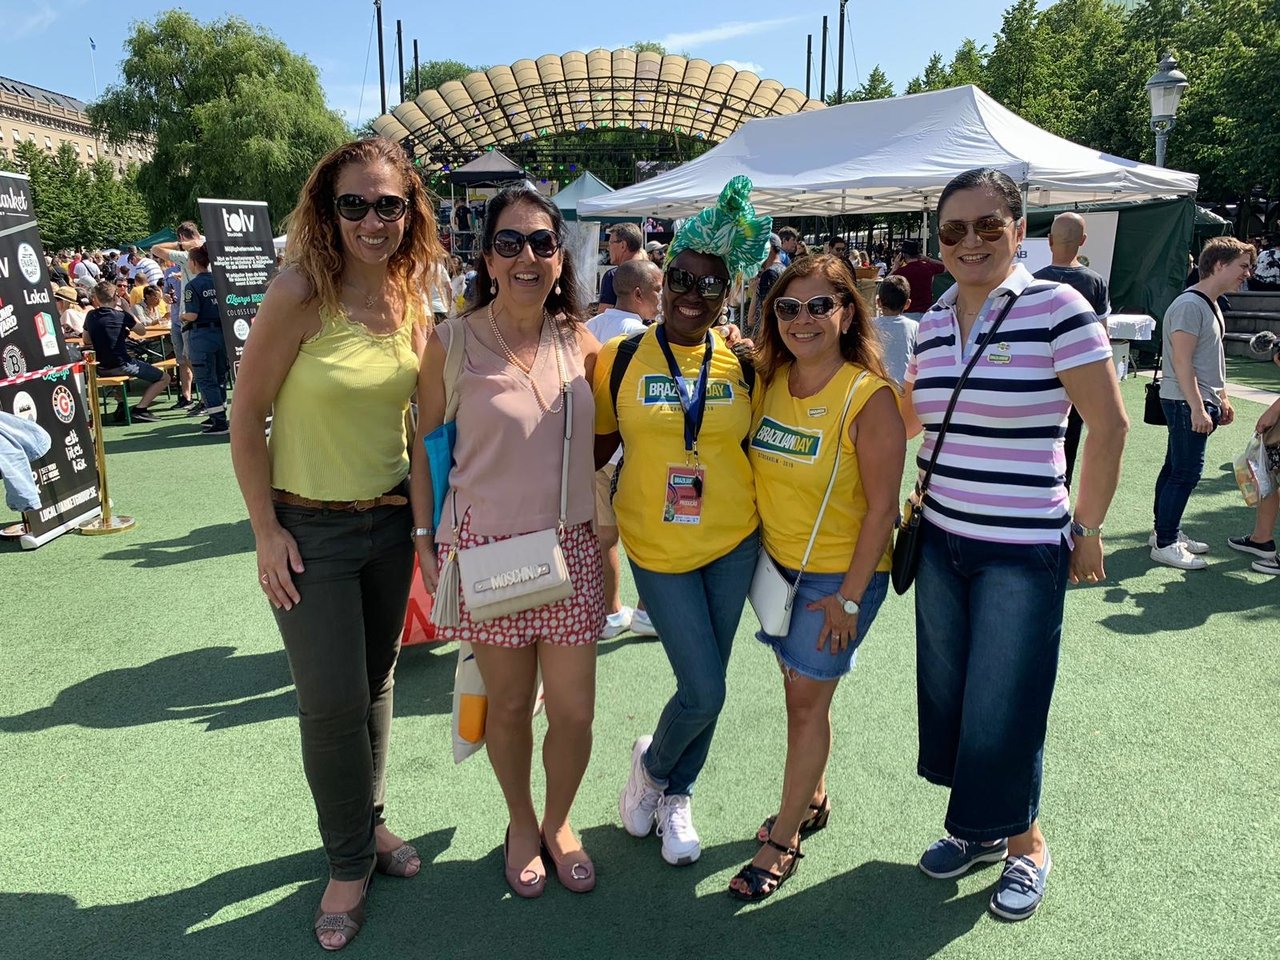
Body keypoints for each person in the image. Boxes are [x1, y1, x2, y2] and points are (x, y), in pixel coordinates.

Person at [229, 137, 442, 951]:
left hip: (388, 525)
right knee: (329, 704)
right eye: (354, 203)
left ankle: (369, 821)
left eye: (389, 204)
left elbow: (421, 430)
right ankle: (348, 862)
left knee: (377, 681)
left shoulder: (413, 301)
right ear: (328, 208)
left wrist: (422, 532)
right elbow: (246, 418)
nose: (372, 220)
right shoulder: (298, 293)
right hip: (308, 529)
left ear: (410, 212)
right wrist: (265, 531)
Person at [901, 167, 1128, 921]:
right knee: (952, 696)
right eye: (953, 230)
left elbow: (1110, 425)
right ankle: (977, 830)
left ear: (1018, 230)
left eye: (987, 226)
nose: (969, 242)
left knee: (1006, 700)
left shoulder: (1059, 307)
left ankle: (1026, 844)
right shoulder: (935, 319)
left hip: (1021, 546)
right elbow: (909, 417)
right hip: (941, 539)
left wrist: (1087, 528)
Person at [412, 183, 603, 898]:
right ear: (488, 258)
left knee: (575, 712)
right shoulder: (451, 341)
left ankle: (559, 820)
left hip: (572, 547)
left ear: (560, 258)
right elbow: (427, 449)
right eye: (510, 242)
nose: (527, 256)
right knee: (511, 707)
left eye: (542, 243)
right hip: (488, 549)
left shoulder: (582, 341)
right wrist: (425, 539)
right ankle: (521, 822)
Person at [599, 176, 767, 867]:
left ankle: (674, 792)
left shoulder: (745, 362)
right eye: (683, 280)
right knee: (705, 687)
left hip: (733, 541)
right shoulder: (618, 359)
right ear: (662, 281)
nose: (694, 295)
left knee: (709, 686)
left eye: (710, 285)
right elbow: (596, 450)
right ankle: (653, 765)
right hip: (655, 545)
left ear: (728, 293)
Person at [729, 254, 904, 901]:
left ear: (848, 313)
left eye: (818, 306)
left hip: (838, 580)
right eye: (788, 307)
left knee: (805, 704)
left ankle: (783, 839)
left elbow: (883, 510)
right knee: (800, 696)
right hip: (777, 571)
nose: (802, 319)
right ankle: (814, 798)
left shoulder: (868, 397)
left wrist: (849, 601)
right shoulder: (772, 380)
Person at [1150, 236, 1254, 569]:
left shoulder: (1207, 303)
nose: (1248, 273)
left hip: (1194, 400)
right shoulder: (1190, 305)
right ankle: (1165, 541)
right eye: (1242, 266)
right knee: (1185, 473)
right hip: (1186, 401)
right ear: (1219, 265)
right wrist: (1197, 406)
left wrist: (1221, 397)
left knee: (1175, 468)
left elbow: (1207, 358)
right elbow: (1182, 361)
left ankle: (1164, 533)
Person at [585, 258, 663, 640]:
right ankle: (646, 612)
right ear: (638, 294)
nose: (662, 297)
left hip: (596, 451)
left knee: (604, 537)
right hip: (634, 453)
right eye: (658, 290)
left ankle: (611, 612)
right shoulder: (649, 338)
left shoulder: (587, 330)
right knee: (647, 537)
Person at [1034, 213, 1111, 487]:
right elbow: (1102, 336)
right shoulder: (1095, 282)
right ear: (1083, 241)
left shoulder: (1033, 282)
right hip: (1078, 377)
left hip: (1038, 375)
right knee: (1070, 440)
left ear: (1049, 240)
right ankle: (1061, 491)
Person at [83, 280, 171, 423]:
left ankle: (121, 405)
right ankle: (140, 409)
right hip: (122, 364)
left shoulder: (91, 315)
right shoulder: (121, 315)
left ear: (96, 298)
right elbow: (142, 331)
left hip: (101, 367)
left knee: (119, 366)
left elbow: (86, 339)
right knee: (164, 378)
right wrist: (127, 311)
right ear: (115, 297)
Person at [155, 222, 207, 411]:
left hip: (190, 315)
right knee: (183, 359)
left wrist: (180, 245)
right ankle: (188, 397)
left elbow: (155, 249)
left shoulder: (191, 254)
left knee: (193, 358)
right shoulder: (198, 251)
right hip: (179, 313)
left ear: (182, 238)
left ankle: (206, 400)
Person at [182, 247, 231, 436]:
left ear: (194, 262)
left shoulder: (192, 285)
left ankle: (219, 421)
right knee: (220, 376)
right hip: (222, 333)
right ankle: (218, 414)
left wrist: (182, 316)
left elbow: (192, 315)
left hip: (202, 336)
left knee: (206, 379)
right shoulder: (220, 280)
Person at [873, 274, 917, 389]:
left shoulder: (869, 326)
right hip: (904, 387)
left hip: (875, 387)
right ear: (907, 304)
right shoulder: (915, 327)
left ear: (878, 302)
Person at [597, 223, 645, 313]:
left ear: (623, 245)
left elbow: (604, 314)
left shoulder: (613, 275)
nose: (608, 248)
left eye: (610, 243)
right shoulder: (654, 272)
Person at [891, 240, 946, 320]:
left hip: (908, 313)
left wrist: (895, 267)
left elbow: (885, 285)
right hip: (927, 313)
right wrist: (928, 259)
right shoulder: (928, 267)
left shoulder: (900, 272)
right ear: (918, 255)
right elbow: (946, 267)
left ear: (903, 255)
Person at [748, 233, 785, 338]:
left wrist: (755, 291)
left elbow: (763, 310)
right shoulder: (784, 270)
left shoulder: (769, 273)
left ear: (769, 248)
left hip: (765, 335)